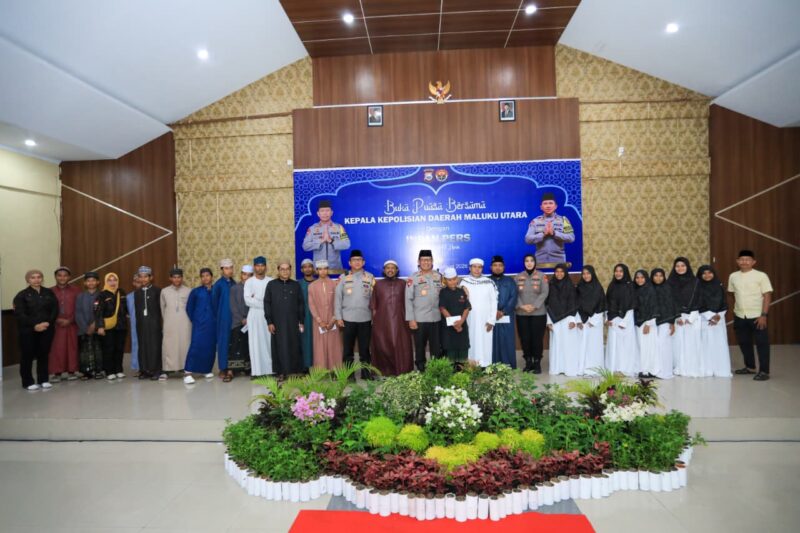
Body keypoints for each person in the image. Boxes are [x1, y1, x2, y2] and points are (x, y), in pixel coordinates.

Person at [728, 250, 772, 381]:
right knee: (744, 342)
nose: (744, 262)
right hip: (740, 315)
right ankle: (750, 367)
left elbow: (767, 295)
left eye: (747, 259)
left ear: (753, 262)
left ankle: (764, 371)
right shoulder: (733, 276)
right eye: (741, 259)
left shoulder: (761, 276)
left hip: (757, 316)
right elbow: (731, 294)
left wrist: (764, 314)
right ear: (737, 261)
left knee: (762, 344)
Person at [13, 269, 58, 390]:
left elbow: (55, 309)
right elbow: (20, 314)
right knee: (27, 356)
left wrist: (48, 323)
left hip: (47, 328)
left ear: (42, 279)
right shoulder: (21, 295)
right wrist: (35, 325)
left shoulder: (49, 293)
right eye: (33, 277)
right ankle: (28, 382)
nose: (36, 279)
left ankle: (43, 379)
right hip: (28, 331)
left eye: (39, 277)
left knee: (43, 354)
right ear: (28, 280)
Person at [335, 249, 375, 378]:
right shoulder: (343, 278)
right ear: (349, 262)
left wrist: (374, 317)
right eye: (354, 260)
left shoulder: (370, 277)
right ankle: (349, 374)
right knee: (348, 350)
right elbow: (337, 299)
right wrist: (338, 317)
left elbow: (375, 299)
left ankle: (366, 373)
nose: (357, 262)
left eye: (359, 260)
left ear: (363, 262)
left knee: (364, 350)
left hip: (365, 319)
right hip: (348, 319)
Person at [370, 259, 413, 376]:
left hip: (400, 320)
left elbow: (409, 302)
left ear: (397, 270)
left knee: (400, 345)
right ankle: (384, 372)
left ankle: (402, 371)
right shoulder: (378, 285)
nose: (390, 270)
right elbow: (374, 305)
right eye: (387, 268)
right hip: (382, 322)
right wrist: (374, 322)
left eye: (392, 268)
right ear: (384, 270)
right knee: (383, 345)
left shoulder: (403, 284)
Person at [265, 261, 305, 378]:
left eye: (287, 269)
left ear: (290, 270)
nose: (285, 271)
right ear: (278, 270)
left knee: (294, 345)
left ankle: (294, 371)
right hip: (277, 322)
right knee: (279, 346)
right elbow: (267, 303)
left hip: (293, 322)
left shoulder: (295, 285)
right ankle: (281, 372)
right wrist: (269, 321)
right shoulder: (271, 285)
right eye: (282, 269)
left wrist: (301, 321)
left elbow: (301, 304)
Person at [405, 249, 443, 370]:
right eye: (423, 260)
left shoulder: (439, 276)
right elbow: (408, 299)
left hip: (436, 318)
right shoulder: (413, 278)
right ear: (418, 261)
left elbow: (447, 292)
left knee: (436, 348)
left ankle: (435, 370)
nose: (426, 262)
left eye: (428, 260)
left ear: (432, 261)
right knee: (420, 346)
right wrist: (411, 319)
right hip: (419, 319)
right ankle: (421, 369)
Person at [459, 258, 497, 367]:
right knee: (471, 342)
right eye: (474, 267)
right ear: (470, 268)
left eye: (479, 267)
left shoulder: (489, 282)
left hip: (486, 320)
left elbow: (494, 302)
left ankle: (485, 366)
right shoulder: (464, 282)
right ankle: (472, 366)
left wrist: (492, 320)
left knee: (486, 343)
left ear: (482, 269)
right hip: (469, 319)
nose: (477, 269)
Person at [668, 257, 702, 377]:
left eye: (683, 265)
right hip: (677, 318)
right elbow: (669, 300)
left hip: (692, 317)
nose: (680, 268)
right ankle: (678, 367)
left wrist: (690, 318)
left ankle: (691, 368)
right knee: (677, 344)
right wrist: (677, 317)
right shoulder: (670, 282)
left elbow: (698, 299)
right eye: (677, 266)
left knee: (691, 344)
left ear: (687, 267)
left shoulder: (695, 281)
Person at [515, 254, 549, 373]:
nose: (529, 263)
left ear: (535, 262)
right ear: (524, 263)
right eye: (526, 261)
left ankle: (537, 363)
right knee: (525, 339)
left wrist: (534, 306)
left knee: (537, 339)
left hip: (538, 313)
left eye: (531, 261)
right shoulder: (518, 277)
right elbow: (515, 294)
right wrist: (522, 306)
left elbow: (544, 293)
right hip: (522, 313)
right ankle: (528, 362)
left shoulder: (542, 276)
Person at [546, 263, 581, 376]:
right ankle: (557, 368)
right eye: (557, 271)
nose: (559, 274)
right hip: (554, 320)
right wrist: (549, 321)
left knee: (569, 346)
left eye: (561, 271)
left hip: (568, 320)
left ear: (565, 273)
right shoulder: (550, 285)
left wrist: (572, 320)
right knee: (557, 345)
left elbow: (574, 303)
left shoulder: (570, 285)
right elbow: (547, 304)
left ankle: (569, 369)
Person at [697, 265, 732, 378]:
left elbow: (724, 303)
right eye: (704, 273)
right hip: (704, 319)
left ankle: (721, 370)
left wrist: (719, 316)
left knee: (719, 345)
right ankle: (707, 370)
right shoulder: (697, 288)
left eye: (709, 272)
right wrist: (710, 316)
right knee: (706, 345)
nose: (707, 275)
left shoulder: (719, 286)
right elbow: (698, 304)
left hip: (719, 320)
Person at [524, 192, 575, 268]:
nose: (548, 206)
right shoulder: (535, 221)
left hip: (559, 262)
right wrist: (543, 234)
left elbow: (571, 238)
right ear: (541, 207)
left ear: (555, 206)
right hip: (540, 262)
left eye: (551, 203)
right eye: (545, 203)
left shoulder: (564, 220)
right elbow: (527, 239)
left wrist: (554, 233)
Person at [184, 268, 217, 384]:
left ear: (212, 277)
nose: (205, 278)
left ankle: (206, 369)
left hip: (212, 325)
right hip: (199, 325)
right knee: (196, 346)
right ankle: (188, 372)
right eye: (203, 276)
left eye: (207, 275)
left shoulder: (216, 290)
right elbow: (189, 308)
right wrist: (196, 320)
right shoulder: (195, 292)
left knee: (210, 348)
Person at [47, 266, 80, 382]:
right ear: (55, 277)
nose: (62, 278)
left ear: (69, 277)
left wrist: (70, 320)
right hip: (56, 325)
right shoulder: (49, 291)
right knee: (57, 349)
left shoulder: (76, 290)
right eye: (59, 275)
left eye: (65, 275)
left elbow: (79, 308)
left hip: (72, 324)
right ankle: (57, 372)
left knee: (72, 348)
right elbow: (46, 309)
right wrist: (56, 319)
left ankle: (72, 371)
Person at [308, 260, 342, 369]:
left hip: (333, 319)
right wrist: (319, 321)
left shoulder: (335, 284)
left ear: (328, 270)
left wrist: (333, 320)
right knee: (319, 346)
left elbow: (338, 303)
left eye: (325, 268)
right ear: (317, 271)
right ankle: (321, 371)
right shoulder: (312, 286)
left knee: (334, 345)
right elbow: (311, 305)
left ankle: (335, 370)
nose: (323, 271)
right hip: (318, 321)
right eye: (320, 269)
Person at [605, 263, 638, 377]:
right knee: (614, 346)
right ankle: (614, 368)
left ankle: (624, 369)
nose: (618, 273)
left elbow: (632, 304)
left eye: (621, 271)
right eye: (616, 271)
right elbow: (607, 303)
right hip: (613, 320)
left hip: (626, 321)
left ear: (625, 273)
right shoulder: (612, 285)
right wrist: (608, 318)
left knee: (625, 347)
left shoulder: (630, 286)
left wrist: (624, 322)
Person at [302, 200, 351, 273]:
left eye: (327, 210)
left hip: (336, 269)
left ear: (331, 212)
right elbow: (305, 246)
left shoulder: (339, 227)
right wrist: (320, 241)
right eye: (322, 211)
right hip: (318, 270)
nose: (325, 213)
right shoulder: (312, 229)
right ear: (318, 213)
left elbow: (347, 244)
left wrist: (331, 241)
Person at [95, 273, 127, 381]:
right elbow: (98, 311)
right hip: (107, 327)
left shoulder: (121, 292)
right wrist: (100, 326)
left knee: (119, 348)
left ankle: (119, 370)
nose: (112, 283)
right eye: (110, 280)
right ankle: (109, 371)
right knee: (109, 349)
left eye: (114, 280)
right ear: (106, 282)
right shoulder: (102, 295)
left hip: (121, 326)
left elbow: (126, 307)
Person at [160, 267, 191, 380]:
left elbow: (190, 308)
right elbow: (162, 308)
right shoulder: (164, 291)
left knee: (184, 344)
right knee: (169, 345)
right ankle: (167, 369)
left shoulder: (188, 291)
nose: (177, 279)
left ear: (182, 278)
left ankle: (185, 367)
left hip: (185, 322)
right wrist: (168, 320)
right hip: (170, 323)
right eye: (174, 277)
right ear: (170, 278)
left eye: (179, 277)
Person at [244, 256, 273, 377]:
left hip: (268, 316)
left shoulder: (270, 281)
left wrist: (256, 298)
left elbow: (272, 301)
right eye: (257, 265)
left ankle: (270, 370)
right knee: (255, 343)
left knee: (268, 342)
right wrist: (263, 303)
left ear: (265, 267)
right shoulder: (249, 282)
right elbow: (247, 300)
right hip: (254, 316)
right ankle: (256, 372)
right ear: (254, 267)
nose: (260, 268)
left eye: (262, 265)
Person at [576, 265, 605, 376]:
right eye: (584, 273)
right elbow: (576, 305)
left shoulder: (598, 287)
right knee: (582, 346)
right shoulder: (579, 287)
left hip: (594, 323)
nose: (586, 276)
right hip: (582, 322)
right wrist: (579, 320)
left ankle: (594, 369)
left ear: (592, 274)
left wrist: (592, 321)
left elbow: (602, 304)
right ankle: (583, 368)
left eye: (588, 273)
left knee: (594, 347)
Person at [134, 266, 162, 380]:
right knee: (143, 346)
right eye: (141, 277)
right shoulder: (137, 293)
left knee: (154, 346)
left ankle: (156, 370)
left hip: (154, 324)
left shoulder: (157, 291)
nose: (143, 279)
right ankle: (144, 370)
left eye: (146, 277)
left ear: (151, 277)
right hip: (141, 324)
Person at [489, 255, 518, 368]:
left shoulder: (510, 281)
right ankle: (492, 365)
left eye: (500, 265)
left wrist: (503, 311)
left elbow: (513, 297)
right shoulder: (487, 281)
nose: (498, 268)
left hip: (507, 315)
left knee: (507, 340)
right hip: (491, 316)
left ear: (504, 267)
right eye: (495, 265)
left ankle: (508, 364)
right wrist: (494, 312)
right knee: (492, 340)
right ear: (491, 267)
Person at [439, 267, 471, 364]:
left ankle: (463, 377)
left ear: (457, 279)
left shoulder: (462, 291)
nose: (452, 282)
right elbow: (442, 309)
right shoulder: (443, 292)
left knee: (463, 355)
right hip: (449, 329)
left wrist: (461, 322)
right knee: (450, 357)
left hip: (462, 328)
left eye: (454, 279)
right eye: (449, 280)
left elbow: (467, 308)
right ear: (445, 280)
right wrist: (455, 324)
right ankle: (451, 375)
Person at [75, 271, 103, 379]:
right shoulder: (80, 296)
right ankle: (86, 372)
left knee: (98, 349)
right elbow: (78, 313)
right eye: (88, 281)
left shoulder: (102, 295)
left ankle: (99, 371)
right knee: (84, 351)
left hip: (98, 327)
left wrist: (94, 325)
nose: (91, 282)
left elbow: (102, 312)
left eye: (93, 280)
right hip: (83, 329)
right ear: (85, 283)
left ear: (98, 282)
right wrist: (85, 327)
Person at [212, 258, 237, 380]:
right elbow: (214, 303)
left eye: (231, 268)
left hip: (235, 319)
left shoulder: (234, 283)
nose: (229, 271)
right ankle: (223, 368)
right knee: (223, 343)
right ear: (222, 270)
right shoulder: (218, 285)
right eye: (227, 268)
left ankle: (233, 368)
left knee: (234, 344)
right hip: (223, 319)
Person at [227, 264, 253, 378]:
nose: (246, 277)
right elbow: (233, 306)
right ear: (241, 275)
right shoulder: (234, 288)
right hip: (237, 323)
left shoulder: (254, 288)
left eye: (249, 275)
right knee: (235, 346)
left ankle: (247, 369)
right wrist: (242, 319)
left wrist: (249, 318)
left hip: (251, 322)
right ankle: (231, 370)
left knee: (248, 346)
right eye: (244, 274)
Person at [650, 268, 676, 380]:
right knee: (653, 346)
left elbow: (672, 305)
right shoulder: (649, 289)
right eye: (656, 275)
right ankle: (654, 370)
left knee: (663, 345)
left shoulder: (668, 288)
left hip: (665, 321)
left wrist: (672, 322)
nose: (658, 278)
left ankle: (664, 371)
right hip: (651, 322)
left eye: (661, 275)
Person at [633, 270, 659, 379]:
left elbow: (654, 307)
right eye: (637, 278)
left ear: (646, 278)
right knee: (640, 347)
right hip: (638, 323)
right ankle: (642, 369)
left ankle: (649, 370)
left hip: (648, 323)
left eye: (642, 277)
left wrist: (648, 324)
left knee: (649, 347)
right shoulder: (635, 290)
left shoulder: (650, 290)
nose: (639, 280)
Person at [298, 258, 316, 371]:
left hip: (317, 317)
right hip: (303, 317)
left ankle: (319, 366)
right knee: (305, 341)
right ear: (302, 269)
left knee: (317, 341)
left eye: (310, 266)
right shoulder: (298, 284)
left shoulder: (318, 283)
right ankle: (305, 367)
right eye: (305, 267)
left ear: (313, 269)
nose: (308, 269)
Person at [126, 274, 142, 376]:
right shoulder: (129, 297)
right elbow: (127, 312)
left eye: (140, 281)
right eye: (136, 281)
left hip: (148, 325)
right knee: (136, 345)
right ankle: (138, 368)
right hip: (135, 325)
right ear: (133, 283)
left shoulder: (149, 294)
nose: (139, 283)